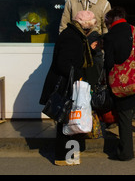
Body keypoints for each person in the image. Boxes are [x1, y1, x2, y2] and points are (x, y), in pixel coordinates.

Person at [40, 10, 98, 166]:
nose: (90, 30)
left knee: (69, 120)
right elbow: (64, 63)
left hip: (68, 83)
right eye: (90, 27)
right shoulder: (72, 38)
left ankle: (69, 155)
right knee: (65, 121)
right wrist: (79, 76)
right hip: (66, 85)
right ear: (85, 26)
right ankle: (62, 157)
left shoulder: (72, 34)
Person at [103, 7, 135, 161]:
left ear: (111, 21)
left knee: (124, 114)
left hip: (122, 82)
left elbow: (109, 62)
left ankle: (126, 153)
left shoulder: (110, 36)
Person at [59, 0, 111, 84]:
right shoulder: (71, 2)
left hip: (95, 49)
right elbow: (64, 24)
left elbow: (106, 28)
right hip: (74, 47)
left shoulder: (104, 3)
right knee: (76, 83)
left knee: (94, 83)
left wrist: (102, 45)